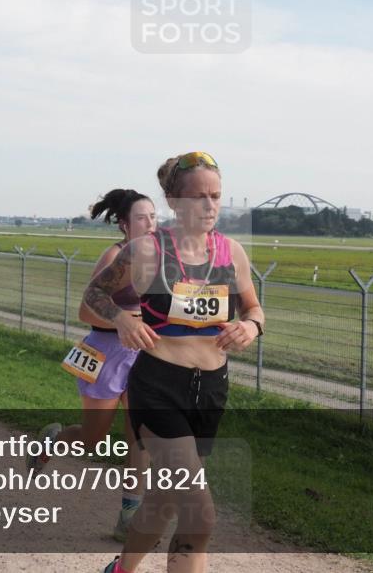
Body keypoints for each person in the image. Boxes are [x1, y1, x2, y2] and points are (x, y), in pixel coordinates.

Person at [83, 152, 265, 573]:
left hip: (210, 390)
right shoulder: (146, 250)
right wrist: (122, 319)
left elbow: (254, 309)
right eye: (198, 197)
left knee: (164, 501)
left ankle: (119, 570)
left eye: (216, 196)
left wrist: (251, 327)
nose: (209, 206)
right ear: (173, 200)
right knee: (200, 514)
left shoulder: (231, 252)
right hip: (158, 386)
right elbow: (93, 296)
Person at [28, 189, 156, 541]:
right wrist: (127, 319)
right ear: (124, 224)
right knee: (92, 440)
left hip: (143, 356)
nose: (151, 224)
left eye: (154, 217)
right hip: (108, 355)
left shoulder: (159, 259)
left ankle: (128, 516)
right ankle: (51, 442)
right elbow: (86, 311)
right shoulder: (114, 256)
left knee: (139, 436)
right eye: (143, 218)